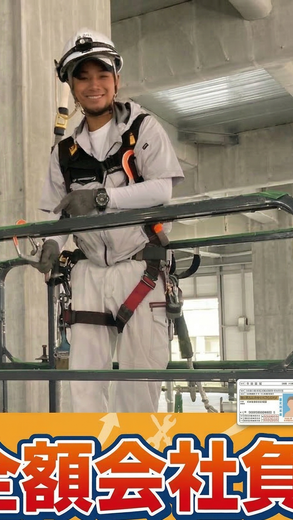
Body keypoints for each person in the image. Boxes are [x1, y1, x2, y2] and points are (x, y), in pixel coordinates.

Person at [30, 28, 184, 413]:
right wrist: (52, 244)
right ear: (71, 85)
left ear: (117, 79)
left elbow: (162, 189)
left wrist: (102, 198)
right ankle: (91, 449)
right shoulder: (64, 152)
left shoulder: (142, 128)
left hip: (140, 268)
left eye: (102, 75)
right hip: (89, 274)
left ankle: (136, 451)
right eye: (82, 77)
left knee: (139, 385)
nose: (93, 85)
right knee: (84, 386)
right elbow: (56, 212)